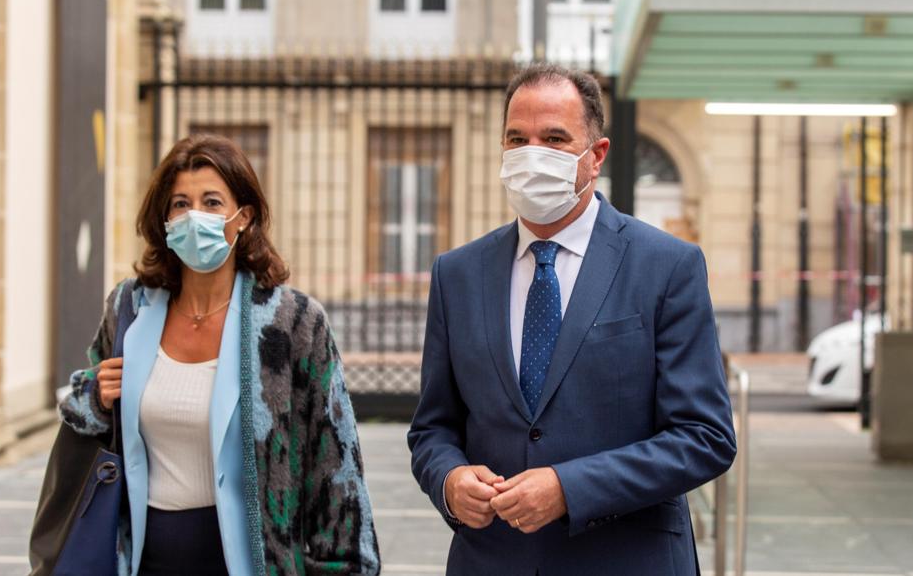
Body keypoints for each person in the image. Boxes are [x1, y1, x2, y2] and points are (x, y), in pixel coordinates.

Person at [408, 64, 736, 575]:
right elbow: (432, 429)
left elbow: (705, 436)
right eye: (517, 138)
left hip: (628, 560)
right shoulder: (458, 274)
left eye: (554, 139)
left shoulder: (667, 266)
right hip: (493, 561)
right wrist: (449, 481)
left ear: (596, 156)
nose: (531, 153)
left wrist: (569, 489)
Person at [60, 135, 380, 576]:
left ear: (243, 217)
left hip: (248, 563)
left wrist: (346, 566)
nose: (195, 216)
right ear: (165, 219)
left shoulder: (293, 322)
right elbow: (82, 407)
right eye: (179, 204)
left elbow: (335, 464)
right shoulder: (129, 310)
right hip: (139, 560)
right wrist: (93, 398)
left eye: (212, 202)